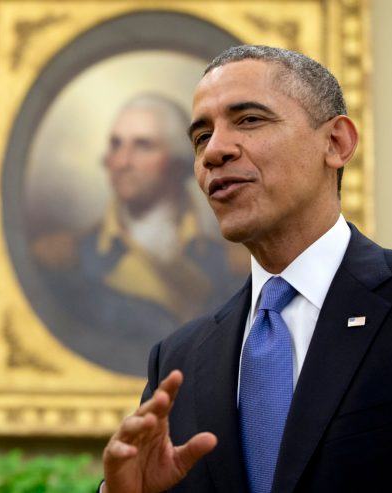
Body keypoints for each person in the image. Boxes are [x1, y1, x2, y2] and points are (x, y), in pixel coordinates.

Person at [101, 44, 392, 493]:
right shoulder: (179, 358)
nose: (214, 151)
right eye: (200, 138)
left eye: (249, 120)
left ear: (336, 143)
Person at [30, 93, 246, 376]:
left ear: (179, 163)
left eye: (142, 146)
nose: (122, 161)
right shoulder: (62, 259)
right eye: (116, 145)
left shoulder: (235, 265)